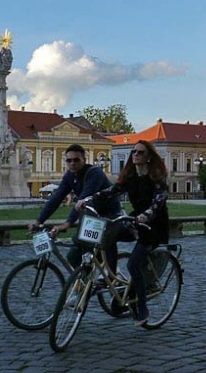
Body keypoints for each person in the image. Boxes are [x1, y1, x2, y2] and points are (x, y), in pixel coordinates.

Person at [77, 140, 169, 326]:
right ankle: (111, 276)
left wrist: (146, 215)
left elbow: (158, 202)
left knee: (134, 264)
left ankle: (142, 308)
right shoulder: (130, 176)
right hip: (136, 219)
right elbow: (111, 191)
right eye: (134, 151)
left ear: (149, 157)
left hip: (155, 224)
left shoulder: (157, 177)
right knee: (108, 235)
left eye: (140, 152)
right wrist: (88, 199)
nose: (135, 154)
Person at [28, 144, 121, 268]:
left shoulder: (95, 173)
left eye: (76, 160)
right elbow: (56, 198)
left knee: (95, 243)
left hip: (109, 214)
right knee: (74, 256)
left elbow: (84, 199)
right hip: (91, 215)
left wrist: (68, 223)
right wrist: (39, 221)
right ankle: (86, 283)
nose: (72, 163)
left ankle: (109, 274)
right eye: (69, 160)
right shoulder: (70, 176)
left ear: (84, 159)